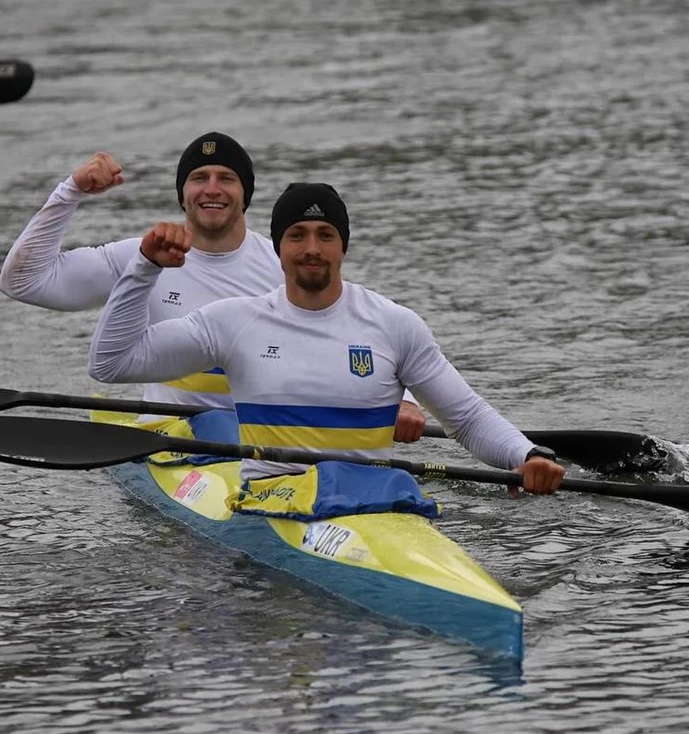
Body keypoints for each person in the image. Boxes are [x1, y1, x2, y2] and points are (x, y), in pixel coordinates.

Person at [88, 181, 565, 499]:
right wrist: (144, 267)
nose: (311, 248)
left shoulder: (394, 324)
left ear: (344, 246)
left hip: (371, 504)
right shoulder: (233, 322)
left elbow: (467, 417)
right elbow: (111, 363)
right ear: (277, 249)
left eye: (325, 234)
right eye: (297, 235)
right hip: (272, 504)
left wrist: (527, 455)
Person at [0, 133, 429, 441]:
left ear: (245, 195)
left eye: (226, 178)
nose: (212, 189)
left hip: (269, 432)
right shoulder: (144, 254)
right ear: (182, 195)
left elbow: (353, 326)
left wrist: (404, 399)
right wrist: (70, 191)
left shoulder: (286, 262)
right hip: (172, 434)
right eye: (199, 177)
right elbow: (24, 282)